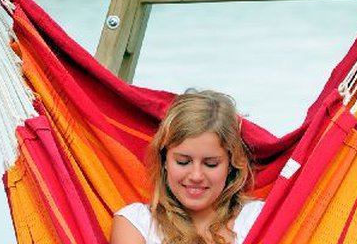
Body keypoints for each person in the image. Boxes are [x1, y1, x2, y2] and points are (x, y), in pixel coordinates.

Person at [111, 90, 264, 244]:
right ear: (164, 160)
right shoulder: (136, 223)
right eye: (183, 162)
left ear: (231, 164)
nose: (196, 176)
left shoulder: (259, 219)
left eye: (211, 164)